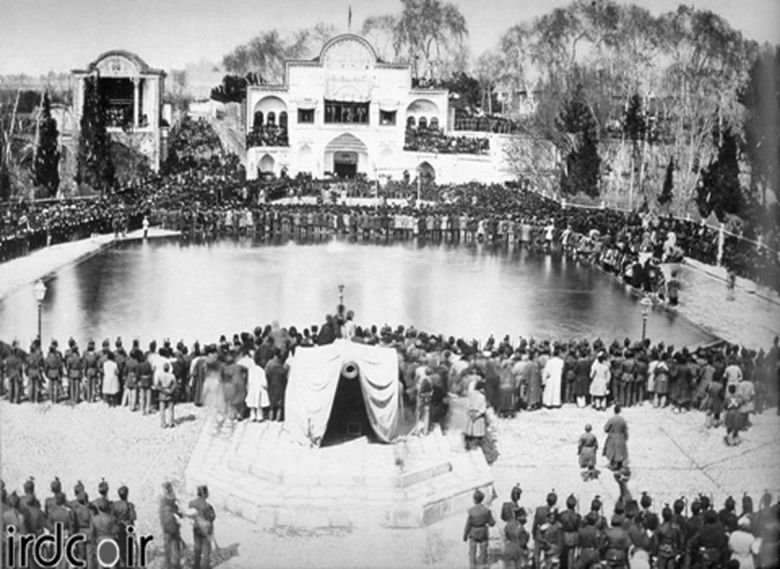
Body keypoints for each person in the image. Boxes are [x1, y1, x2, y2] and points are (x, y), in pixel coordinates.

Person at [463, 489, 495, 569]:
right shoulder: (486, 511)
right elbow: (492, 523)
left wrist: (465, 536)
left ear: (474, 500)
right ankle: (482, 565)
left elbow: (468, 525)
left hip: (474, 533)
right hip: (483, 533)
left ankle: (473, 566)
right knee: (483, 552)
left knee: (472, 553)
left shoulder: (471, 511)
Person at [187, 485, 216, 569]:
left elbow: (190, 515)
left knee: (197, 548)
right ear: (205, 494)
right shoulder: (207, 506)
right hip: (205, 531)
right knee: (206, 550)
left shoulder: (191, 503)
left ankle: (196, 566)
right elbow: (212, 517)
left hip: (196, 529)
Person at [111, 485, 137, 568]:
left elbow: (112, 517)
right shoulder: (129, 505)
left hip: (117, 530)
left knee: (118, 550)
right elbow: (133, 517)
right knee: (126, 551)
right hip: (127, 531)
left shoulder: (114, 505)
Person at [159, 482, 182, 569]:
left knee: (167, 546)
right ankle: (175, 566)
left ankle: (168, 564)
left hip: (166, 528)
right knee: (175, 546)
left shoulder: (162, 502)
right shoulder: (172, 501)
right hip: (173, 527)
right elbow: (177, 512)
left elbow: (161, 515)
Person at [654, 505, 683, 569]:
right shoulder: (675, 527)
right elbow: (680, 540)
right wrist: (679, 551)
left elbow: (656, 542)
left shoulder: (660, 528)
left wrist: (655, 553)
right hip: (672, 552)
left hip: (662, 551)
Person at [603, 405, 629, 471]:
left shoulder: (611, 419)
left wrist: (610, 431)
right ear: (620, 411)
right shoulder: (622, 420)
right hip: (620, 437)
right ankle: (618, 463)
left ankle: (613, 464)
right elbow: (625, 429)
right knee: (619, 451)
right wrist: (625, 437)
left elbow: (605, 429)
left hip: (612, 437)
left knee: (611, 451)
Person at [156, 362, 177, 428]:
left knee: (162, 410)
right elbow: (175, 384)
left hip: (162, 393)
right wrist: (171, 390)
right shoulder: (172, 375)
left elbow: (158, 385)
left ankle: (163, 423)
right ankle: (171, 423)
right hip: (169, 392)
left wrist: (162, 390)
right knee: (170, 409)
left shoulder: (160, 375)